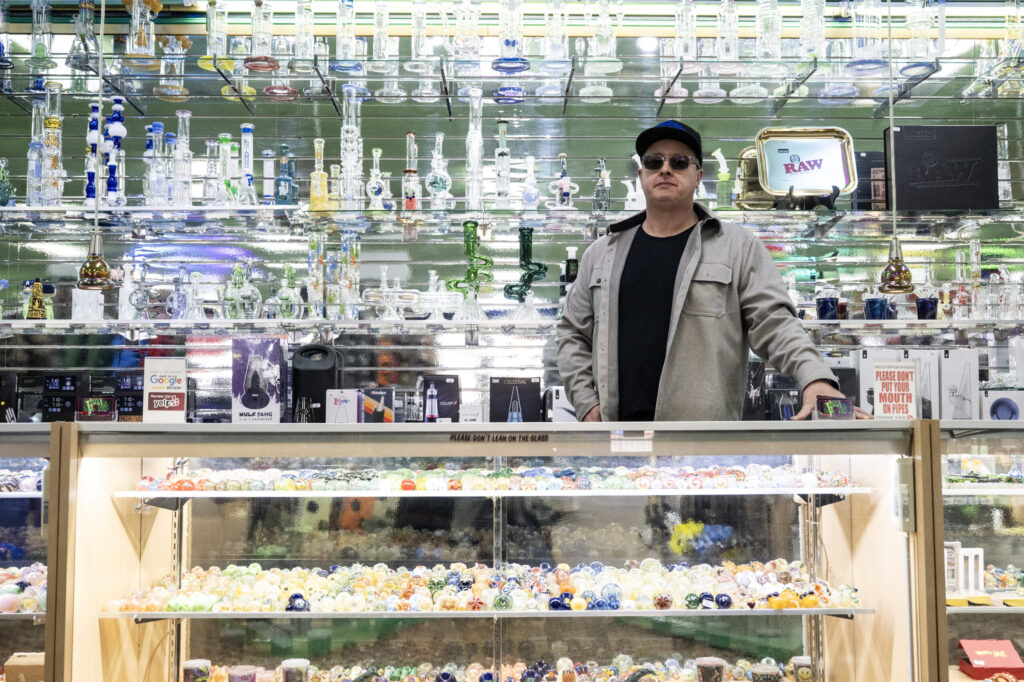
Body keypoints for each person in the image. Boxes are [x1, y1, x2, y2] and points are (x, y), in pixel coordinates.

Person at [556, 120, 858, 422]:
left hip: (703, 442)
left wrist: (815, 377)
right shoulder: (601, 254)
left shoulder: (738, 248)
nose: (665, 169)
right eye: (654, 162)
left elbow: (775, 324)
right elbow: (572, 333)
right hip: (616, 439)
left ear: (698, 176)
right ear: (641, 175)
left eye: (679, 162)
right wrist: (586, 403)